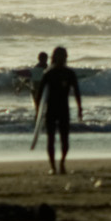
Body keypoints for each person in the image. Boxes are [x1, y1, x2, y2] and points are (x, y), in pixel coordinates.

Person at [39, 46, 82, 174]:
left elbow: (77, 92)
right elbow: (40, 95)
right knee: (50, 139)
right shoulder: (48, 74)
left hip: (64, 110)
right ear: (54, 57)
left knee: (65, 140)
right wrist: (38, 112)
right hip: (51, 110)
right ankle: (52, 167)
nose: (61, 58)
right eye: (58, 56)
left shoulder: (69, 74)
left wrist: (80, 108)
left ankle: (62, 163)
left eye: (63, 56)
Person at [29, 51, 50, 117]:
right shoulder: (45, 66)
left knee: (37, 106)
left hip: (33, 87)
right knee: (45, 105)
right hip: (40, 87)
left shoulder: (36, 67)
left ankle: (37, 118)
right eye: (46, 58)